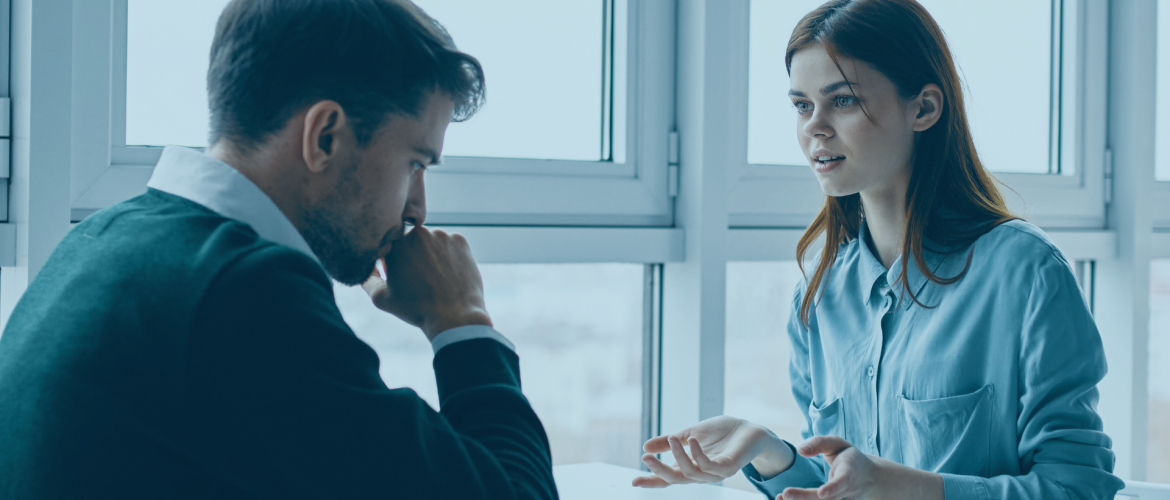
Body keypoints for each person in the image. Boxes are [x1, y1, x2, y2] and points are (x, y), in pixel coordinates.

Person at [0, 0, 557, 498]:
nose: (417, 209)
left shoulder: (104, 241)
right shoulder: (240, 293)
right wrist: (462, 320)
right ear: (325, 137)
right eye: (414, 162)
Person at [632, 0, 1124, 499]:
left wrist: (912, 488)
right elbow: (841, 485)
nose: (814, 127)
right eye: (802, 105)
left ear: (924, 108)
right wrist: (770, 452)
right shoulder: (818, 299)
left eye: (842, 101)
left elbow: (1079, 488)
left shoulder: (1026, 273)